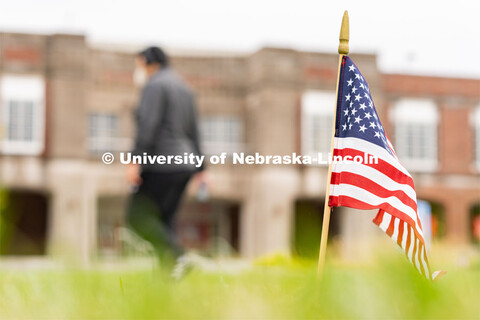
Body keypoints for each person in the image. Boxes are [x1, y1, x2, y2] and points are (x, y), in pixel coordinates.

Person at [126, 46, 207, 277]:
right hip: (185, 164)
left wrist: (134, 160)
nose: (138, 70)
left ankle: (179, 257)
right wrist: (202, 169)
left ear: (151, 63)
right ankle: (169, 277)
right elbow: (194, 131)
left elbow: (148, 126)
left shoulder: (155, 85)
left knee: (137, 217)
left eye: (139, 65)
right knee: (165, 221)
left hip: (162, 162)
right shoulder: (184, 87)